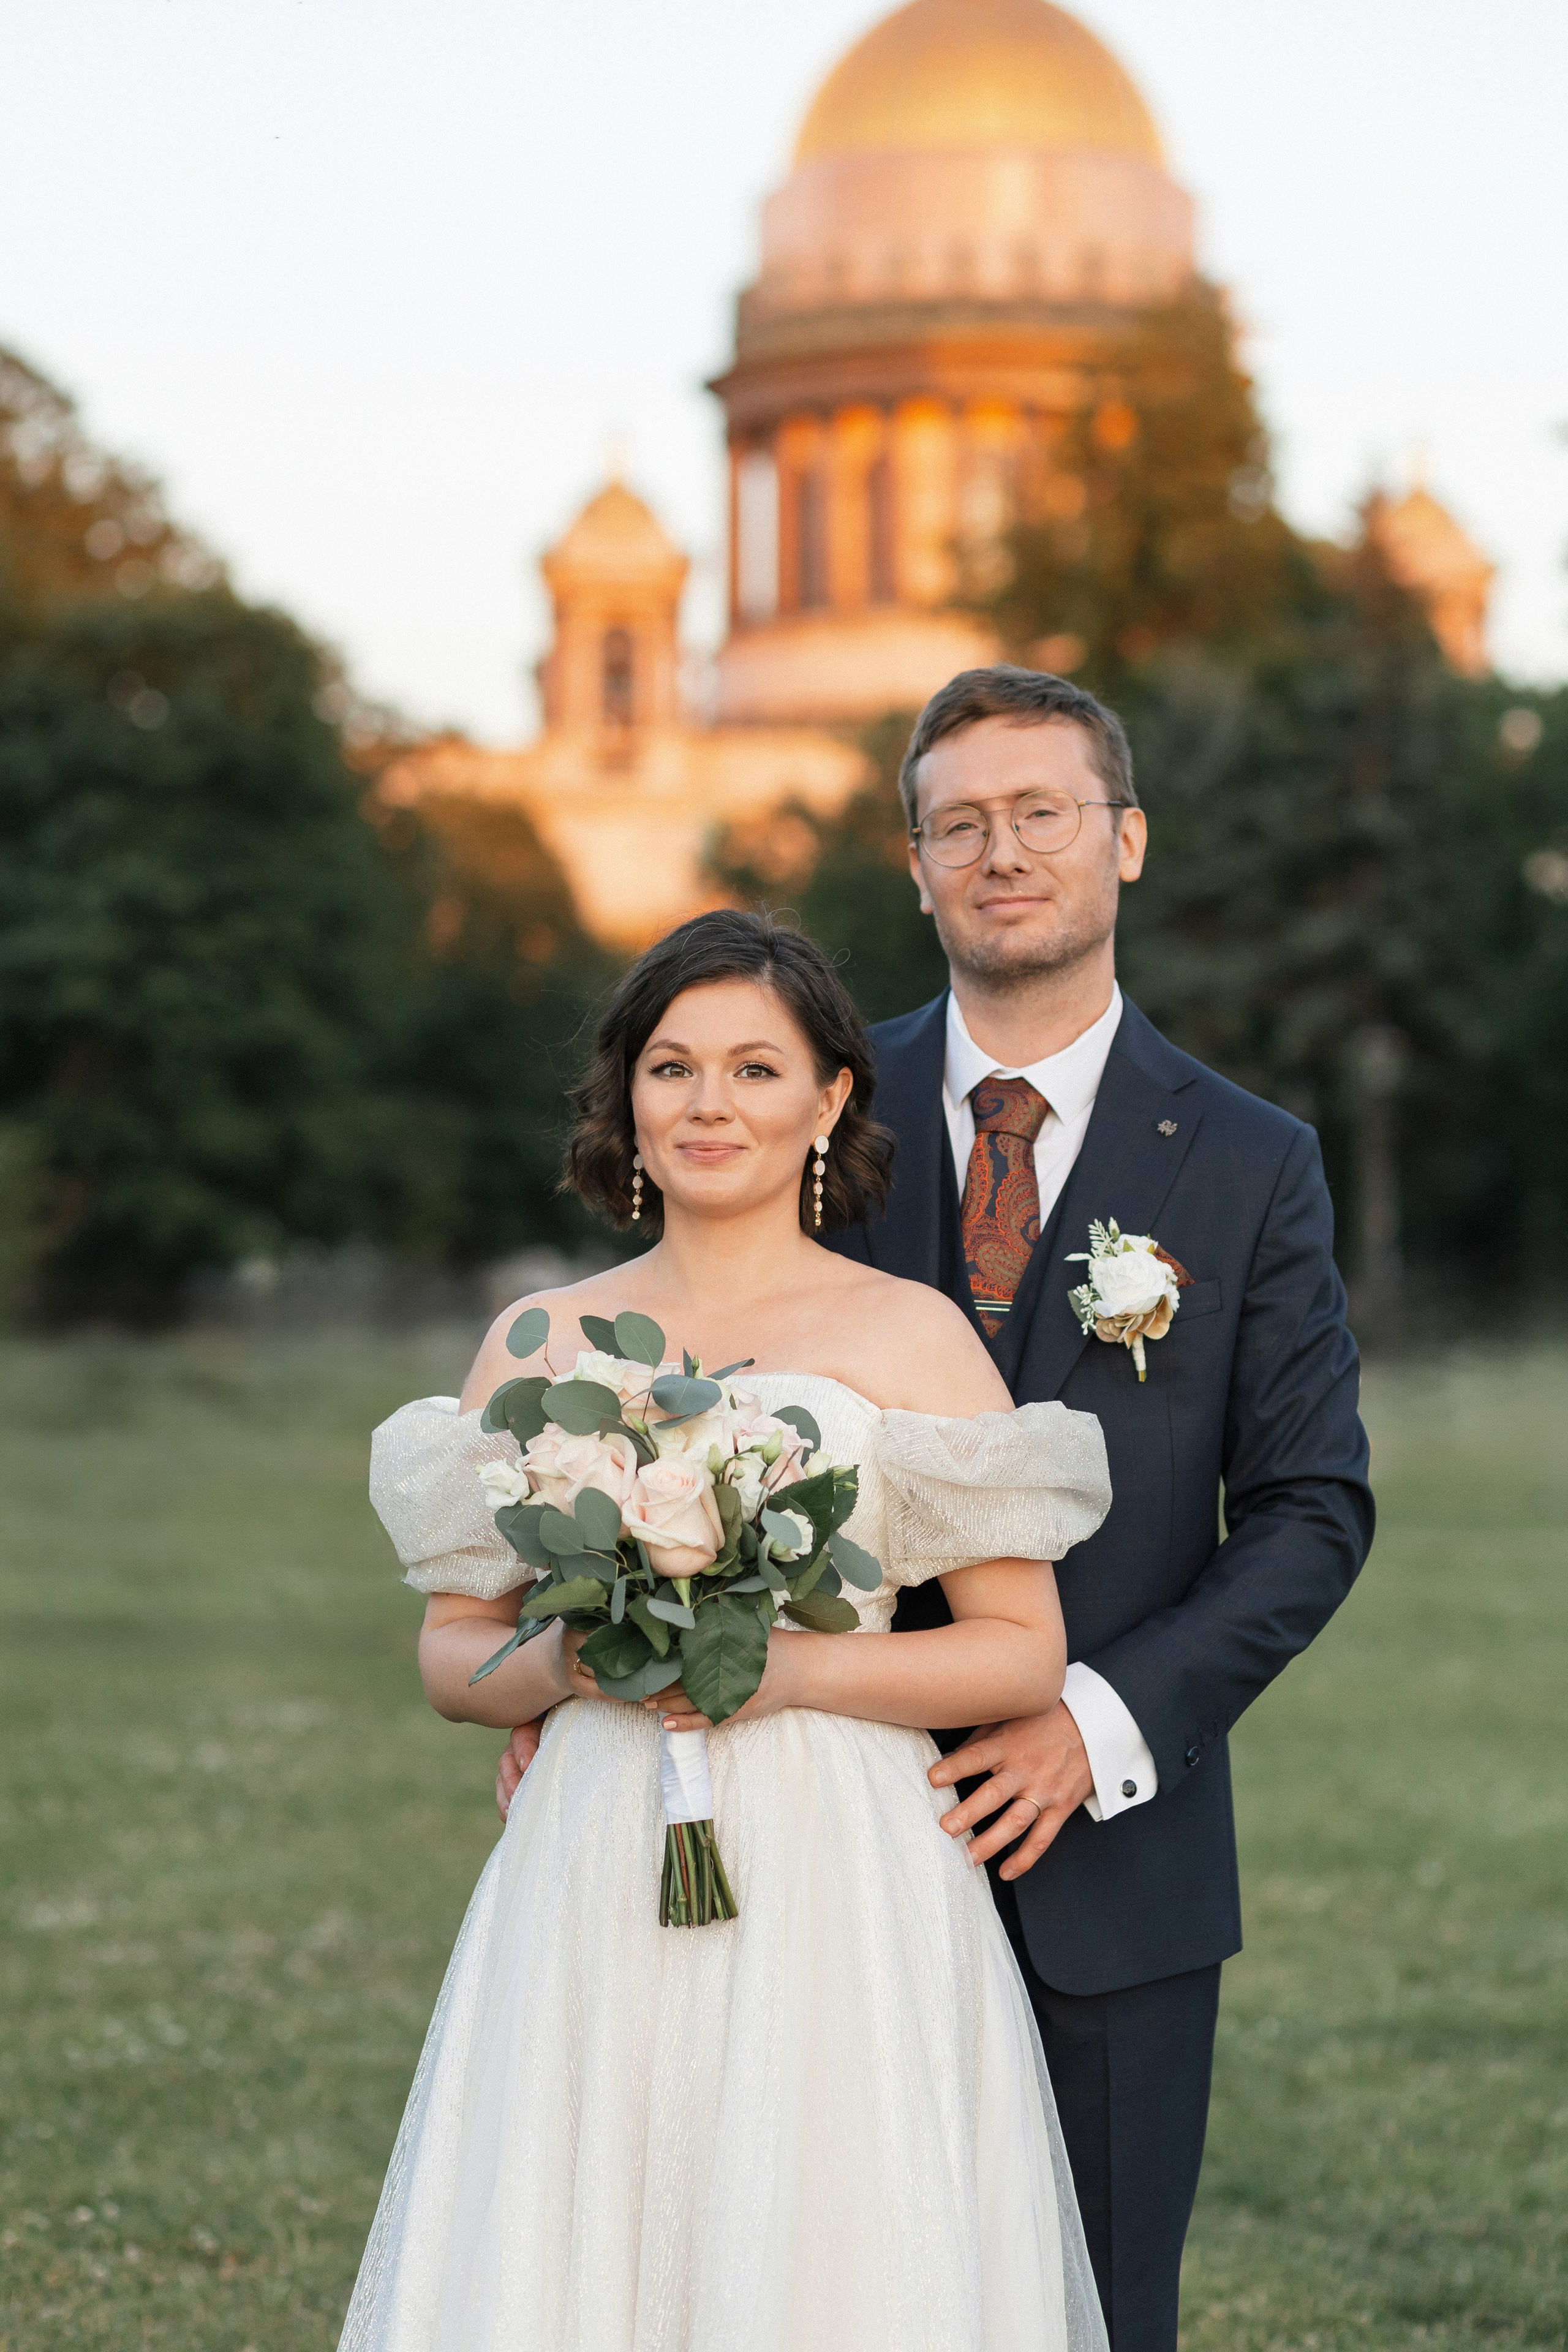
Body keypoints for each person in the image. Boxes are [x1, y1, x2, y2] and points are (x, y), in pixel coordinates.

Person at [498, 668, 1376, 2352]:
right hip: (788, 1831)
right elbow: (670, 1383)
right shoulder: (793, 1093)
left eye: (1042, 811)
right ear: (913, 866)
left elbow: (1308, 1509)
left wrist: (1093, 1725)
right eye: (958, 822)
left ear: (1124, 840)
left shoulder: (1253, 1161)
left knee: (1091, 2310)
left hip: (1103, 1848)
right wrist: (608, 1637)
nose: (1002, 851)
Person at [340, 910, 1117, 2352]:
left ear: (827, 1099)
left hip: (843, 1855)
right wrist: (582, 1663)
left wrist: (785, 1669)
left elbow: (1016, 1652)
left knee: (826, 2229)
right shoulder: (538, 1343)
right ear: (624, 1097)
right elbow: (456, 1656)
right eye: (673, 1067)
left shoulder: (910, 1336)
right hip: (590, 1850)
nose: (708, 1104)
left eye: (755, 1071)